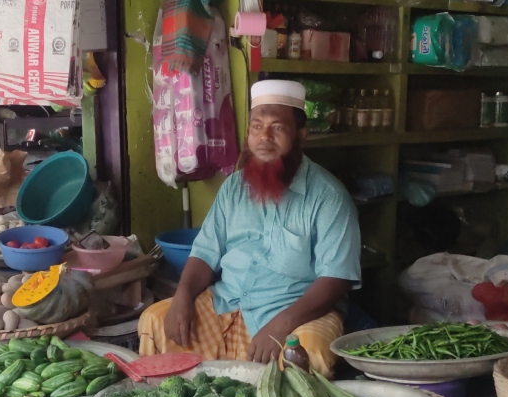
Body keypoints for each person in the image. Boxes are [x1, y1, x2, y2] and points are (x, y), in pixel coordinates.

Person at [138, 80, 361, 376]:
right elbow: (204, 253)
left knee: (307, 351)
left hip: (296, 312)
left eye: (277, 128)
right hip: (227, 301)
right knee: (155, 320)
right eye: (257, 127)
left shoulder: (329, 197)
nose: (264, 137)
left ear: (301, 134)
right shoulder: (234, 187)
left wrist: (281, 325)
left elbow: (337, 278)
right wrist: (183, 296)